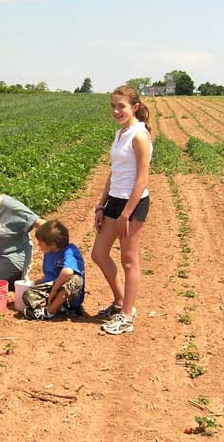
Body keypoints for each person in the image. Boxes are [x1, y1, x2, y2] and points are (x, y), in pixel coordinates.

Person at [91, 85, 153, 335]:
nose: (116, 110)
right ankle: (119, 301)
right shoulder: (120, 134)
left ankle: (127, 315)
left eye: (121, 106)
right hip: (114, 201)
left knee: (129, 260)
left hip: (133, 203)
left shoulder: (139, 135)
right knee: (99, 253)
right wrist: (101, 204)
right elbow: (114, 172)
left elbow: (142, 178)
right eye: (113, 106)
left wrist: (126, 213)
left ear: (134, 107)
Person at [23, 219, 85, 320]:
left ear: (53, 244)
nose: (38, 245)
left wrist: (54, 290)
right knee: (28, 295)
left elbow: (68, 272)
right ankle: (60, 308)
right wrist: (42, 281)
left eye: (40, 242)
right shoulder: (49, 252)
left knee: (75, 279)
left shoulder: (70, 251)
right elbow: (51, 274)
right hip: (53, 287)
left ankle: (49, 311)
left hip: (67, 293)